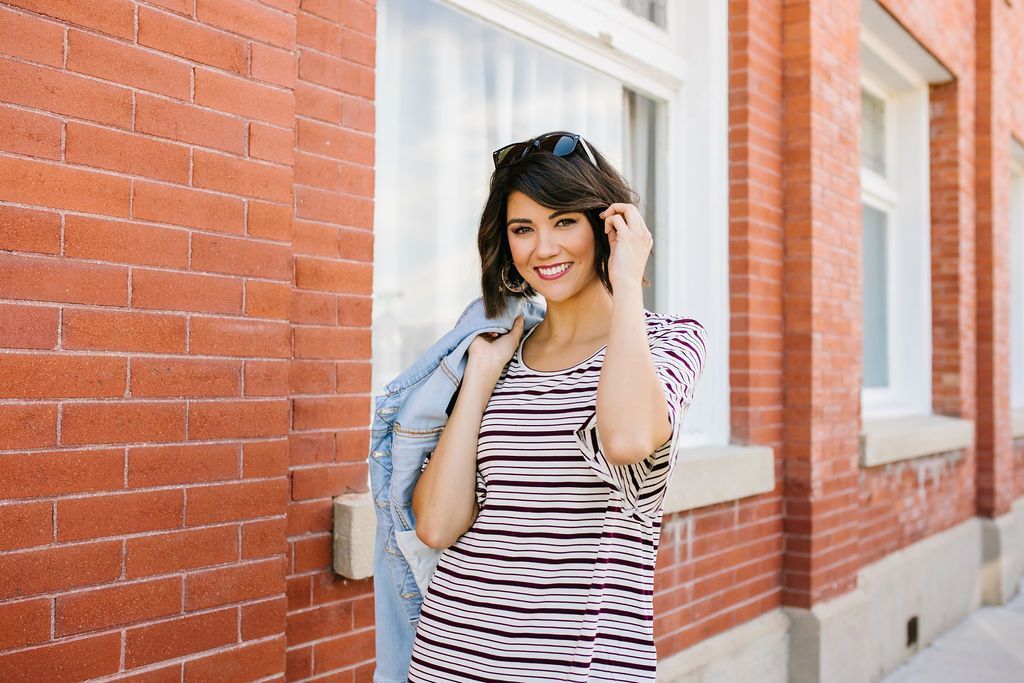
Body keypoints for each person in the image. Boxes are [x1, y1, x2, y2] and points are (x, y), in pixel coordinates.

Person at [406, 130, 708, 682]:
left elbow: (626, 439)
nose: (543, 248)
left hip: (578, 666)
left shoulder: (671, 342)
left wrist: (627, 281)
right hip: (450, 657)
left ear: (605, 225)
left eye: (564, 221)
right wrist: (480, 380)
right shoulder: (496, 354)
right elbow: (436, 526)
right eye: (523, 229)